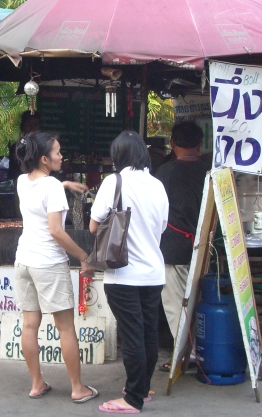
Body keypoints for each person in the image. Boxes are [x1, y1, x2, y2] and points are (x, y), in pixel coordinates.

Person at [13, 131, 99, 404]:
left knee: (29, 325)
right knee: (65, 328)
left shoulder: (22, 181)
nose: (61, 156)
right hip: (48, 263)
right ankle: (77, 388)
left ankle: (37, 384)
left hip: (24, 260)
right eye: (58, 152)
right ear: (44, 159)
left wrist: (64, 184)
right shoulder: (50, 187)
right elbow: (56, 232)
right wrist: (84, 256)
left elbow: (42, 190)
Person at [89, 130, 169, 414]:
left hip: (122, 274)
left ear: (118, 156)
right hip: (153, 273)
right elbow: (161, 227)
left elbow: (94, 225)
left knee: (132, 334)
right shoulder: (158, 185)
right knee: (148, 332)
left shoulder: (114, 182)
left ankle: (133, 399)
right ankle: (141, 389)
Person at [154, 121, 208, 372]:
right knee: (199, 300)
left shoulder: (164, 172)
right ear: (199, 145)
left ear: (172, 144)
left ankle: (186, 354)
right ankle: (198, 350)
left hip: (172, 248)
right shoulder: (210, 172)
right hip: (205, 247)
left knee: (175, 303)